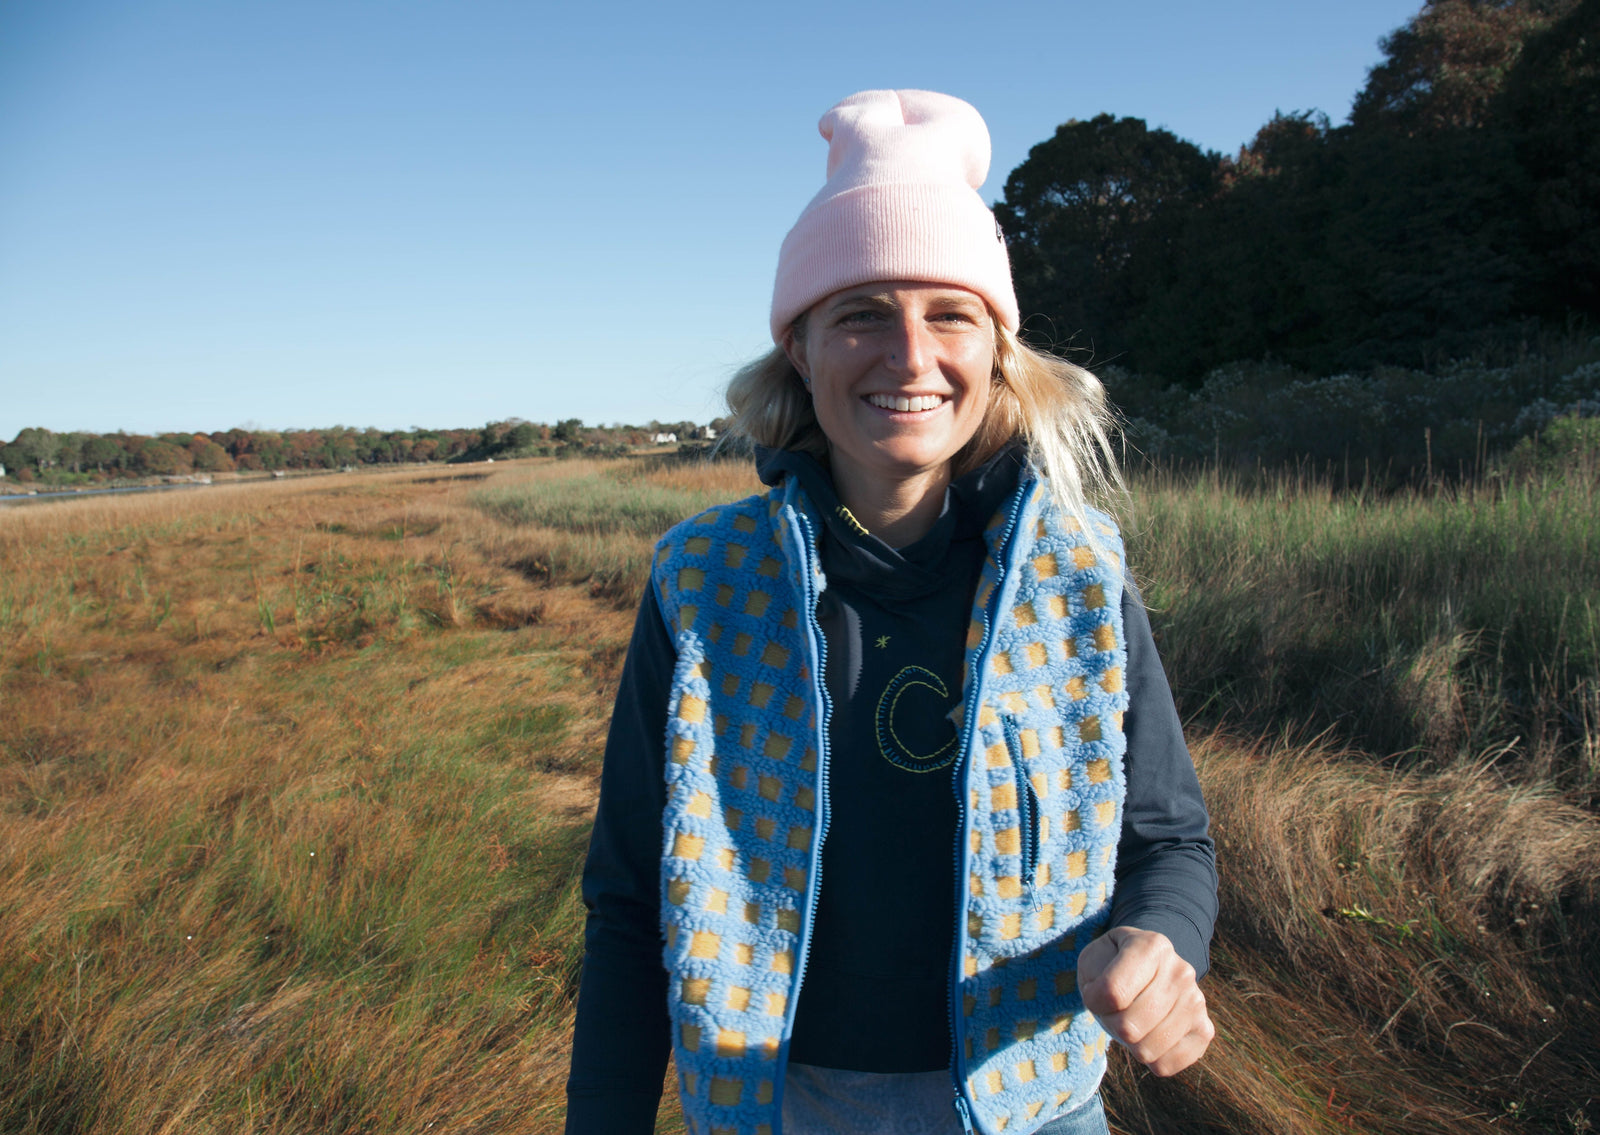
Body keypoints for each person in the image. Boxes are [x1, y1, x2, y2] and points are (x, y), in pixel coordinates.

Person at [565, 89, 1216, 1135]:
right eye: (861, 311)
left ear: (995, 349)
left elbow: (1168, 843)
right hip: (778, 1105)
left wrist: (1161, 942)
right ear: (801, 352)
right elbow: (633, 899)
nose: (910, 357)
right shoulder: (704, 581)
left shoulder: (1081, 575)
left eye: (949, 313)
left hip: (1038, 1106)